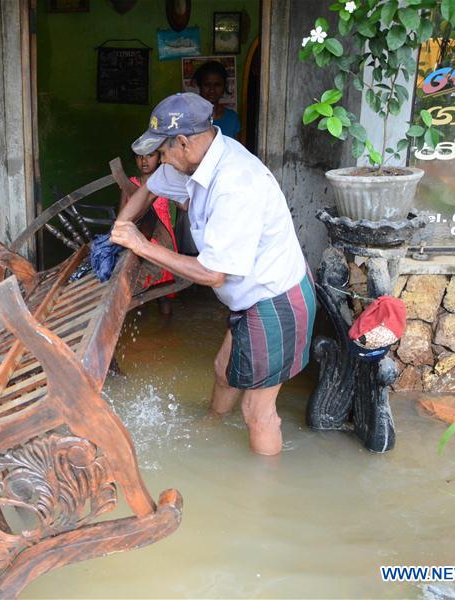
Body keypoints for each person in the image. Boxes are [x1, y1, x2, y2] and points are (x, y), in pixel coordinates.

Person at [111, 93, 315, 456]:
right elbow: (150, 187)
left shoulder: (236, 184)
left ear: (185, 142)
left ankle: (260, 497)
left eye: (163, 151)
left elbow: (212, 274)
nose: (160, 160)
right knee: (223, 370)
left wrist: (142, 246)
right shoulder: (197, 162)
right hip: (249, 297)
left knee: (258, 411)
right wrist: (121, 226)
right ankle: (210, 430)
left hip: (275, 300)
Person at [120, 150, 179, 316]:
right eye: (139, 157)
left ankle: (167, 333)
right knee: (138, 295)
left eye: (150, 155)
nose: (144, 161)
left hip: (163, 243)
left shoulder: (166, 183)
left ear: (159, 157)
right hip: (138, 243)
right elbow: (121, 217)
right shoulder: (129, 184)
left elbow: (184, 205)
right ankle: (145, 336)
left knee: (164, 296)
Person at [192, 61, 240, 140]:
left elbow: (237, 150)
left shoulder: (232, 118)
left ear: (224, 86)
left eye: (217, 85)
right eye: (207, 84)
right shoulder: (190, 117)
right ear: (199, 86)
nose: (212, 90)